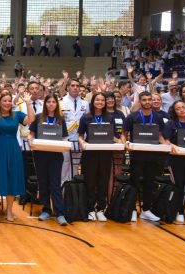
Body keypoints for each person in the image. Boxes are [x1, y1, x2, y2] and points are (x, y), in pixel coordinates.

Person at [0, 89, 34, 221]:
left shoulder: (17, 115)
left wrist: (29, 103)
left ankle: (9, 211)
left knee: (12, 178)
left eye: (9, 101)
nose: (7, 103)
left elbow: (31, 119)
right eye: (4, 101)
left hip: (12, 149)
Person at [122, 91, 167, 222]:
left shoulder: (158, 117)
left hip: (153, 155)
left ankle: (146, 210)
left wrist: (167, 146)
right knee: (134, 182)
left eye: (149, 99)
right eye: (144, 100)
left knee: (149, 183)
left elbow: (160, 136)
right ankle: (132, 209)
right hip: (136, 155)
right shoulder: (132, 117)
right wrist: (126, 144)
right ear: (140, 102)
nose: (147, 102)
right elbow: (124, 134)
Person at [28, 93, 69, 225]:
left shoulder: (60, 119)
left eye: (53, 102)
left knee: (55, 183)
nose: (51, 104)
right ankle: (46, 209)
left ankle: (60, 213)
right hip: (40, 154)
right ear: (45, 104)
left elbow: (64, 138)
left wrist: (65, 144)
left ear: (57, 104)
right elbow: (31, 134)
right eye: (48, 102)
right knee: (43, 183)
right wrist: (30, 141)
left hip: (56, 155)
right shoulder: (39, 117)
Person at [77, 92, 118, 221]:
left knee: (103, 181)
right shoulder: (86, 117)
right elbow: (80, 135)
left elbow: (113, 136)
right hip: (90, 154)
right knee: (90, 181)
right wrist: (82, 142)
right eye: (97, 100)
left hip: (105, 153)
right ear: (93, 102)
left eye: (102, 100)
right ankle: (90, 209)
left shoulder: (109, 117)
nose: (100, 102)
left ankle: (100, 209)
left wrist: (121, 142)